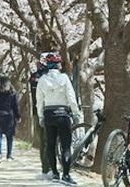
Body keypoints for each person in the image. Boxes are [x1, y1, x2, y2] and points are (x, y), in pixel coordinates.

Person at [36, 53, 80, 184]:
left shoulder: (42, 80)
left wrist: (40, 116)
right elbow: (71, 97)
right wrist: (76, 112)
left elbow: (39, 101)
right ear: (58, 65)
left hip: (49, 114)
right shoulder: (64, 78)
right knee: (66, 146)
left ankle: (55, 173)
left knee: (50, 145)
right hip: (63, 114)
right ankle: (66, 174)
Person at [29, 52, 52, 174]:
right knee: (49, 139)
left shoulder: (33, 77)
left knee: (43, 140)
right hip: (49, 110)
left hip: (36, 111)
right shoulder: (50, 77)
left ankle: (45, 166)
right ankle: (47, 166)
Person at [0, 74, 20, 163]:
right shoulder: (13, 92)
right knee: (9, 137)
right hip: (9, 116)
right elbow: (16, 105)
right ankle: (9, 155)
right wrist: (18, 116)